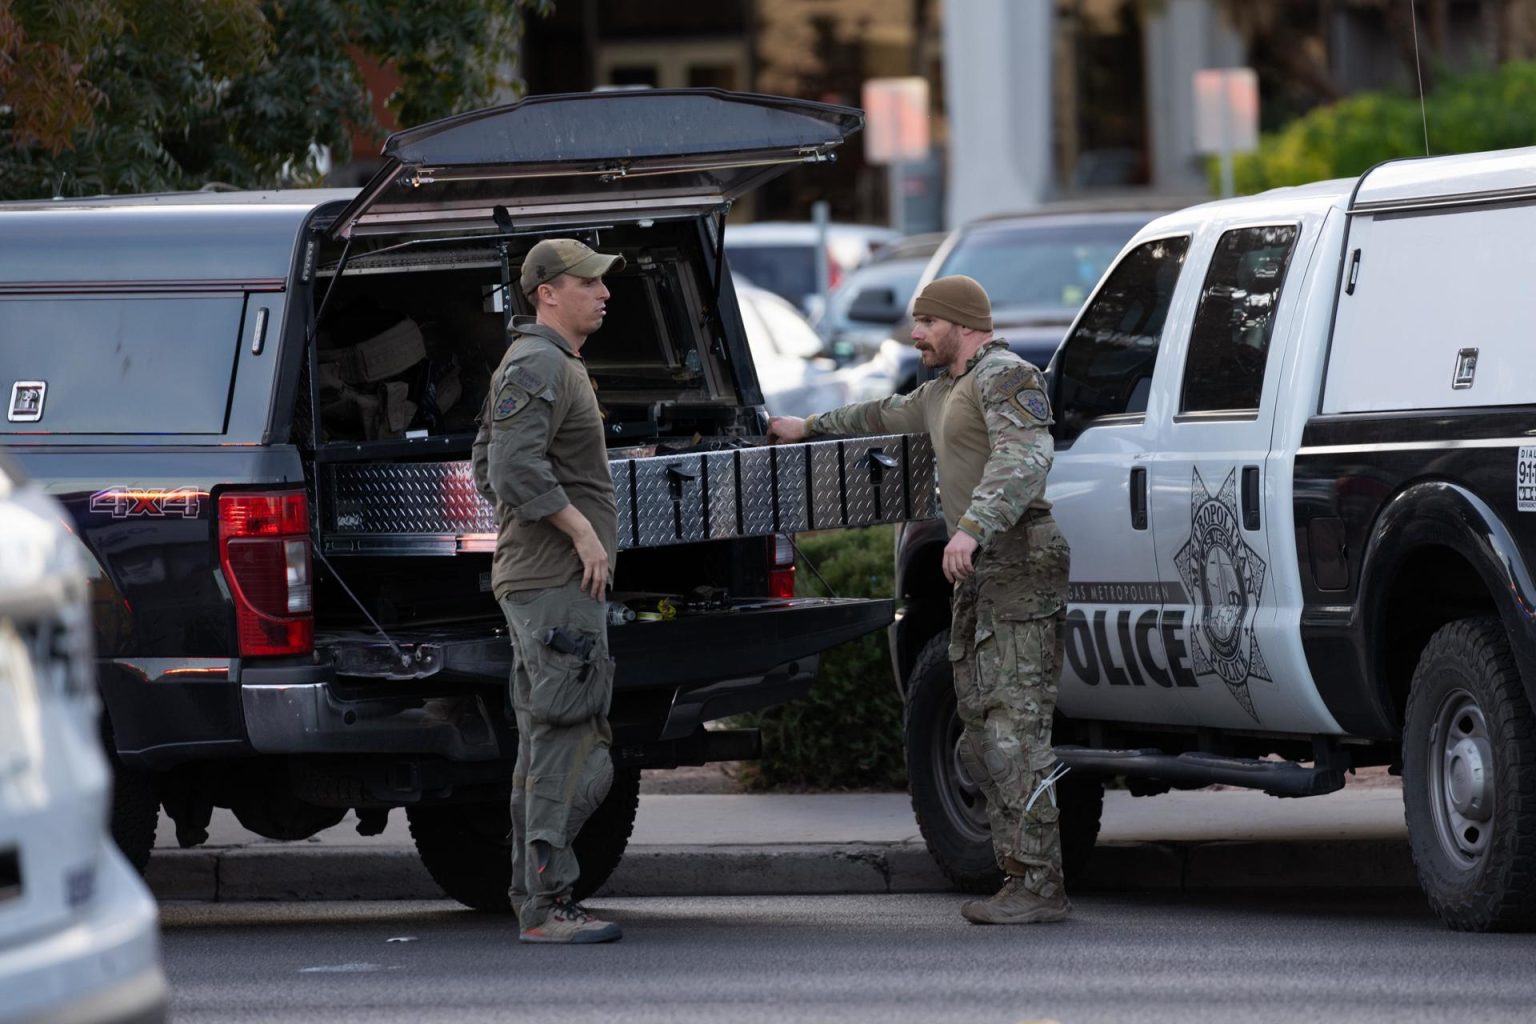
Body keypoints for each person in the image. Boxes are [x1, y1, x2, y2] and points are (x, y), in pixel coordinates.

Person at [767, 275, 1072, 924]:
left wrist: (971, 528)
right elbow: (877, 415)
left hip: (1018, 564)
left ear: (961, 324)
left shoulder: (1006, 377)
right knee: (978, 735)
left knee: (1014, 732)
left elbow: (1026, 456)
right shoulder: (941, 392)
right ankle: (1022, 872)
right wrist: (806, 427)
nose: (915, 334)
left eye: (926, 322)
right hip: (978, 575)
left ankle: (1039, 887)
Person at [472, 238, 625, 944]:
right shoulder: (538, 361)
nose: (603, 293)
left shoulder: (550, 364)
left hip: (549, 581)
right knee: (573, 740)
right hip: (556, 582)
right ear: (547, 292)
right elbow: (511, 469)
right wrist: (581, 533)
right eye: (588, 282)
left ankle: (535, 900)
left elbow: (487, 458)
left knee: (546, 739)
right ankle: (548, 905)